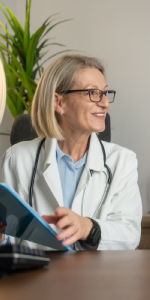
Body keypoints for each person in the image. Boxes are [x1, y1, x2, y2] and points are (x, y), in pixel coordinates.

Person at [0, 54, 142, 250]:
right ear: (58, 103)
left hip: (96, 277)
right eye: (93, 93)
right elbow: (10, 238)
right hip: (37, 276)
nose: (105, 103)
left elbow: (130, 235)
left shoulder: (123, 161)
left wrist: (88, 228)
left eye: (105, 93)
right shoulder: (17, 159)